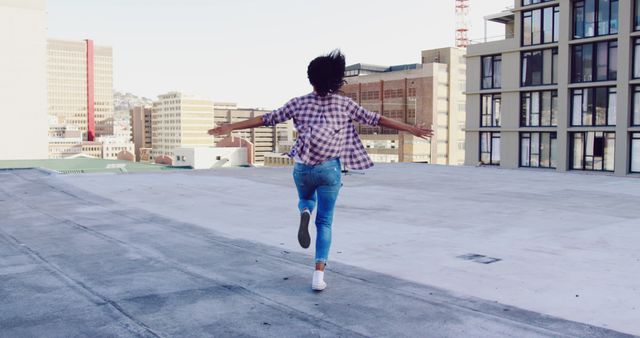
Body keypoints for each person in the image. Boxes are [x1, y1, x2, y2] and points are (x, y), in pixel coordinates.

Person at [208, 50, 433, 291]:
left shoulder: (298, 103)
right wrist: (411, 129)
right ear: (337, 79)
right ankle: (318, 276)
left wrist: (231, 126)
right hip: (330, 170)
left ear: (311, 79)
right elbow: (377, 119)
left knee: (305, 198)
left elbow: (267, 119)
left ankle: (305, 210)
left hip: (303, 168)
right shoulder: (346, 104)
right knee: (324, 222)